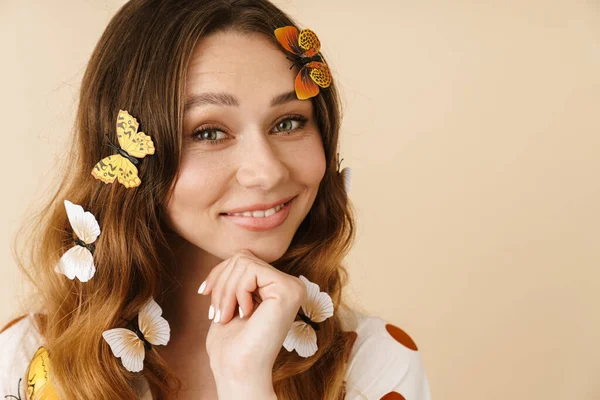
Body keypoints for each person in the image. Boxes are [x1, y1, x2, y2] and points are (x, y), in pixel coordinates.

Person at [0, 0, 431, 399]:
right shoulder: (24, 362)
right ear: (123, 157)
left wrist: (246, 382)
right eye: (208, 132)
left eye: (288, 122)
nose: (267, 172)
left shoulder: (373, 365)